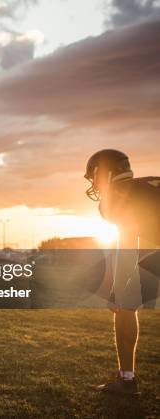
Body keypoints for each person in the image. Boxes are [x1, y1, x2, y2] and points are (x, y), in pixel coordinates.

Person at [84, 149, 159, 395]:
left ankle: (127, 380)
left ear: (103, 173)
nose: (94, 184)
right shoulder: (149, 184)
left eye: (94, 177)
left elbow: (127, 241)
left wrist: (118, 287)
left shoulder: (117, 197)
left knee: (124, 306)